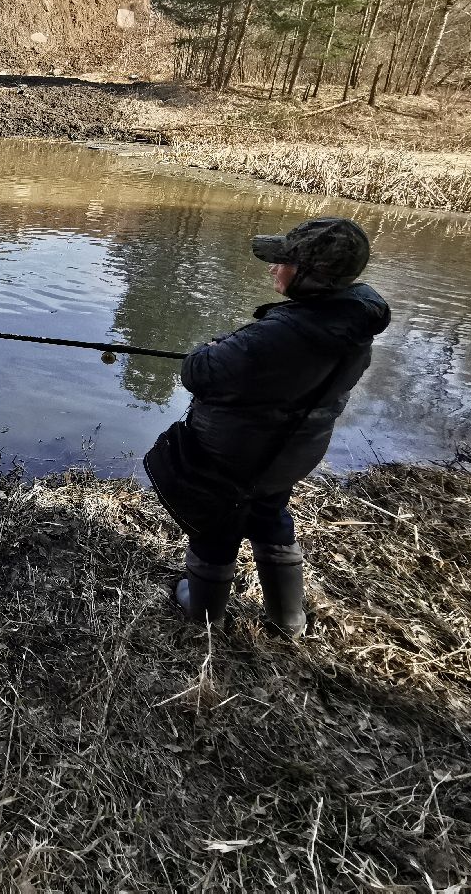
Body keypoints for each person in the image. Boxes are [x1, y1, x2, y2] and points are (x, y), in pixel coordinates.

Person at [143, 217, 391, 634]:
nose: (274, 268)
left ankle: (203, 614)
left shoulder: (286, 333)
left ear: (313, 276)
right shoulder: (350, 320)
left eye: (284, 263)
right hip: (292, 450)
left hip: (242, 452)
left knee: (216, 521)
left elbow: (199, 373)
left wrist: (213, 347)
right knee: (269, 511)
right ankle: (289, 617)